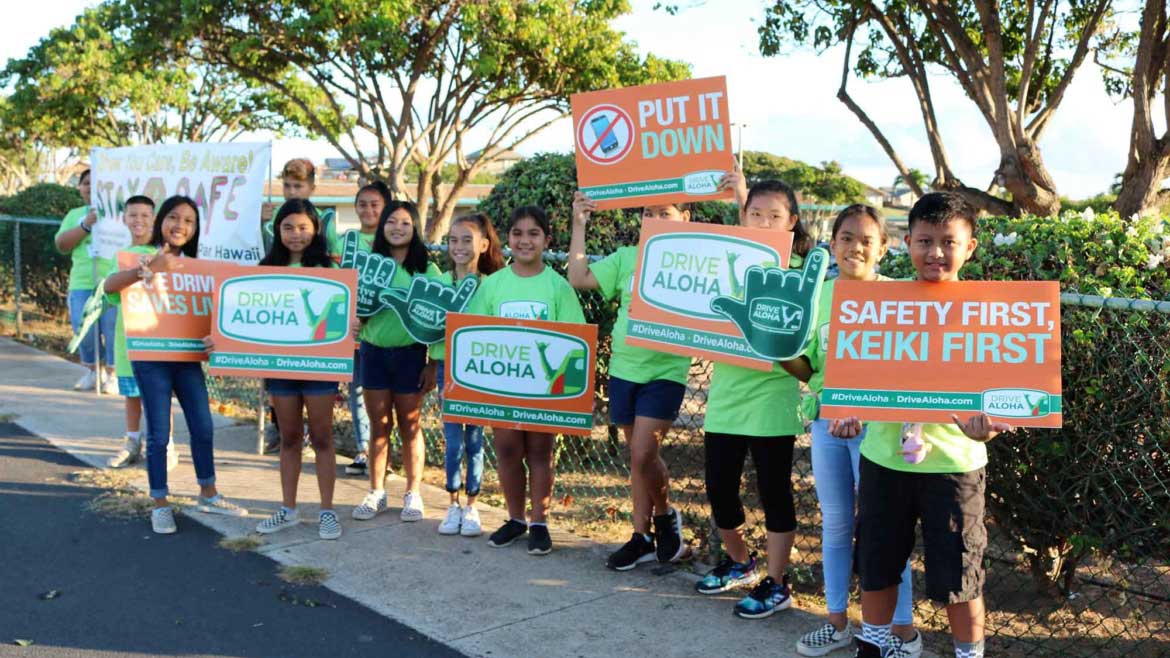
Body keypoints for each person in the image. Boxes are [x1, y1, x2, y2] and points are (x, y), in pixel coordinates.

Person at [834, 193, 1009, 658]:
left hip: (955, 465)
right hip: (883, 461)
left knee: (961, 576)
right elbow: (858, 380)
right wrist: (849, 411)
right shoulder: (877, 307)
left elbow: (1003, 392)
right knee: (878, 565)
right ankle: (872, 647)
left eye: (948, 242)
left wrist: (988, 428)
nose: (935, 252)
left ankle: (967, 655)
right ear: (907, 241)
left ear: (970, 247)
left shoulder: (988, 314)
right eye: (925, 240)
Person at [780, 205, 921, 657]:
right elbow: (808, 366)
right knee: (837, 524)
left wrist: (863, 407)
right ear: (832, 242)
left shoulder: (900, 296)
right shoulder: (818, 294)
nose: (854, 247)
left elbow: (910, 369)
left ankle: (903, 633)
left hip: (878, 429)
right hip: (826, 423)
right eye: (845, 237)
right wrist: (779, 350)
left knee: (884, 529)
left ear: (883, 247)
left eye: (865, 240)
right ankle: (838, 623)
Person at [694, 179, 811, 619]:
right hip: (725, 397)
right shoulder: (727, 263)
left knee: (774, 492)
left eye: (774, 216)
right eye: (755, 214)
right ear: (742, 217)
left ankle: (779, 583)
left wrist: (772, 342)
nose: (763, 223)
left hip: (772, 401)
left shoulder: (802, 275)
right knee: (719, 488)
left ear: (792, 223)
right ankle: (741, 563)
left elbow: (805, 359)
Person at [103, 196, 247, 534]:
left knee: (203, 425)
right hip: (150, 359)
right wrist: (142, 271)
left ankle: (208, 493)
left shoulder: (196, 266)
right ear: (160, 221)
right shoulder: (139, 256)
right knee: (158, 435)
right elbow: (109, 288)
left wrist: (217, 337)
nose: (180, 225)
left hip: (186, 360)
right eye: (173, 217)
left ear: (195, 229)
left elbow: (213, 312)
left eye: (189, 221)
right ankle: (160, 502)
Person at [203, 199, 343, 540]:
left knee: (323, 439)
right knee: (290, 439)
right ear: (277, 231)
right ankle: (288, 509)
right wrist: (220, 342)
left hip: (319, 366)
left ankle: (327, 512)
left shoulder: (331, 270)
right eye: (288, 227)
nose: (296, 235)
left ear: (316, 230)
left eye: (303, 227)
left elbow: (340, 319)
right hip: (281, 370)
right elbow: (244, 318)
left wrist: (350, 328)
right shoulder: (263, 270)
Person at [567, 193, 692, 570]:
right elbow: (578, 276)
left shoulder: (699, 261)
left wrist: (738, 195)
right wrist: (578, 223)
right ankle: (641, 537)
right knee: (637, 460)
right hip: (624, 368)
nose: (655, 218)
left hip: (666, 371)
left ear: (684, 217)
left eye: (665, 213)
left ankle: (665, 517)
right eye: (648, 212)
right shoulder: (627, 256)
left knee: (643, 452)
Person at [468, 206, 586, 556]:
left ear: (547, 240)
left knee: (539, 452)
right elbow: (475, 333)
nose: (525, 240)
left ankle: (539, 522)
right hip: (503, 388)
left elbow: (575, 338)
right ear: (508, 240)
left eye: (534, 233)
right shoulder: (494, 285)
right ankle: (515, 518)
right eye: (518, 233)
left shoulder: (558, 287)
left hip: (543, 391)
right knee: (506, 450)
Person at [351, 200, 441, 523]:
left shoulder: (427, 270)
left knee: (410, 426)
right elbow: (349, 305)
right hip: (373, 353)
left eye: (405, 222)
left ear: (415, 228)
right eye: (392, 221)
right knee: (379, 427)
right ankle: (376, 491)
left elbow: (441, 321)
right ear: (382, 226)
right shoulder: (367, 265)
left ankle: (413, 493)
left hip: (410, 356)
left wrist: (433, 364)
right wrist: (353, 321)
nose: (397, 228)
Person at [426, 213, 504, 537]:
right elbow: (428, 328)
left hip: (480, 372)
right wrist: (432, 361)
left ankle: (472, 505)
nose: (458, 247)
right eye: (452, 240)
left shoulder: (494, 285)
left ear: (484, 245)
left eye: (467, 240)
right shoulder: (440, 283)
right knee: (453, 441)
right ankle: (453, 503)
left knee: (475, 440)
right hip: (448, 370)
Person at [259, 158, 339, 454]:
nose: (292, 191)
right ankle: (282, 430)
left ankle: (305, 438)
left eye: (298, 186)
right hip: (280, 319)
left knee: (320, 423)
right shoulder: (272, 220)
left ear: (312, 187)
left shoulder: (325, 222)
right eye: (287, 185)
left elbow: (334, 267)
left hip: (313, 324)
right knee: (278, 386)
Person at [105, 196, 178, 473]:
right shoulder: (122, 256)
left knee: (159, 394)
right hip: (128, 335)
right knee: (132, 393)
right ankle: (132, 441)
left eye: (145, 215)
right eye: (133, 215)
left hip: (158, 335)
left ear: (155, 218)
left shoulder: (165, 252)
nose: (139, 221)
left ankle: (166, 444)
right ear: (124, 218)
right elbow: (111, 291)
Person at [340, 181, 390, 478]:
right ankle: (363, 450)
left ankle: (384, 452)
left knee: (386, 395)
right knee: (357, 389)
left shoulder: (393, 239)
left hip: (385, 329)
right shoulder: (345, 241)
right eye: (363, 204)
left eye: (375, 204)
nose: (368, 210)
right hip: (353, 329)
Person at [54, 169, 117, 393]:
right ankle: (93, 371)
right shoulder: (74, 214)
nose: (91, 187)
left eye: (97, 183)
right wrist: (85, 226)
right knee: (85, 332)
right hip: (82, 283)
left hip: (113, 282)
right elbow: (62, 245)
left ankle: (112, 374)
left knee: (112, 330)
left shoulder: (117, 212)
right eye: (86, 183)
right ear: (80, 188)